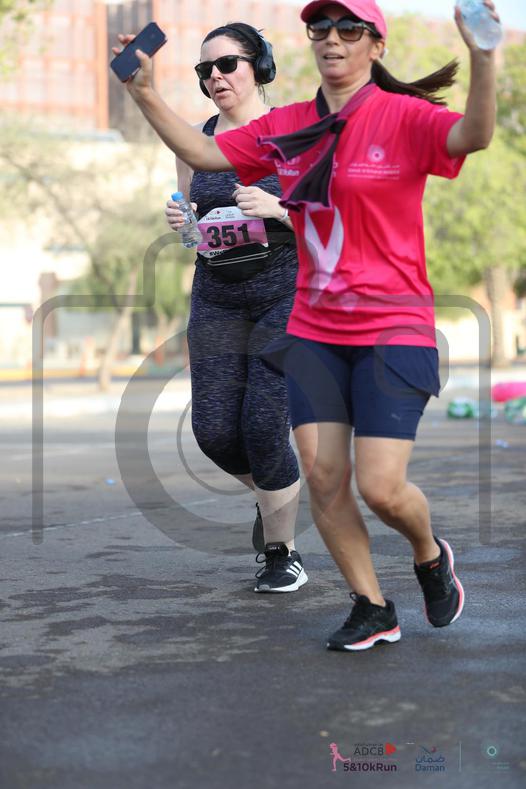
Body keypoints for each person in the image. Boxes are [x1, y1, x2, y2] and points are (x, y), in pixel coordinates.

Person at [114, 0, 499, 648]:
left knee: (380, 487)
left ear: (375, 44)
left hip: (389, 322)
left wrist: (484, 58)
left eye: (349, 29)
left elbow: (475, 135)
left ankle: (430, 554)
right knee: (321, 474)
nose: (332, 39)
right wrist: (144, 90)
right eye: (320, 28)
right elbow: (201, 152)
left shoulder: (401, 117)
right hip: (314, 326)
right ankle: (371, 605)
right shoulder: (288, 127)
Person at [137, 22, 308, 593]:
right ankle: (275, 495)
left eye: (227, 64)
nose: (215, 76)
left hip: (285, 292)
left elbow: (333, 218)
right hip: (217, 295)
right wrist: (184, 224)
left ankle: (283, 553)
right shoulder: (195, 140)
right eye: (204, 69)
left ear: (260, 66)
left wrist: (279, 208)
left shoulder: (293, 133)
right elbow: (196, 232)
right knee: (213, 433)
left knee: (263, 425)